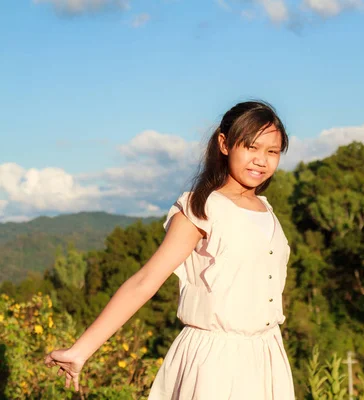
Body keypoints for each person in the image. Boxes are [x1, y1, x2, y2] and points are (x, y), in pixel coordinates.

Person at [44, 100, 296, 399]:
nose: (261, 160)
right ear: (224, 144)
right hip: (215, 361)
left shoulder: (267, 210)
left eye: (272, 152)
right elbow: (145, 281)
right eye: (251, 147)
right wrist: (81, 351)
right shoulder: (202, 207)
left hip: (267, 354)